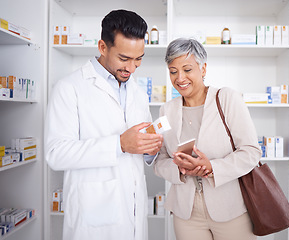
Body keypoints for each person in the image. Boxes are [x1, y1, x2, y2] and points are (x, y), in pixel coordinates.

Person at [44, 9, 163, 240]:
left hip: (134, 213)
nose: (131, 68)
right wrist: (119, 145)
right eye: (124, 58)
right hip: (93, 216)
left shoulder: (137, 92)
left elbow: (140, 147)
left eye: (139, 59)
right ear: (102, 47)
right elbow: (55, 153)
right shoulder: (70, 88)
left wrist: (150, 149)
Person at [154, 38, 262, 240]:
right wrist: (179, 168)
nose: (180, 78)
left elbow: (251, 152)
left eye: (187, 69)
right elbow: (160, 160)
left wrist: (212, 167)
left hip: (230, 209)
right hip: (186, 213)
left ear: (203, 69)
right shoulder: (166, 110)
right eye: (173, 71)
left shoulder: (227, 98)